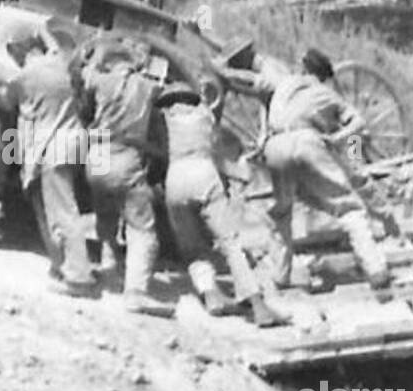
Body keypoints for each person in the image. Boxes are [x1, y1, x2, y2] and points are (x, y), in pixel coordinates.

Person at [224, 48, 392, 290]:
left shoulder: (283, 84)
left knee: (282, 213)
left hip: (276, 147)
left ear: (303, 70)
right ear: (323, 77)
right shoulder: (324, 93)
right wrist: (340, 139)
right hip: (308, 143)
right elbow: (358, 127)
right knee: (349, 209)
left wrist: (222, 71)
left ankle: (280, 275)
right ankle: (376, 269)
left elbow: (254, 86)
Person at [158, 84, 288, 327]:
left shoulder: (164, 119)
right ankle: (260, 303)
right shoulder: (204, 114)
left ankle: (210, 295)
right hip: (209, 172)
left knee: (193, 248)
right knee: (232, 242)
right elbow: (215, 103)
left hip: (174, 180)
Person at [80, 35, 173, 317]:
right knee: (142, 228)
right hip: (125, 159)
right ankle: (136, 293)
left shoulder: (98, 80)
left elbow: (83, 72)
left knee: (105, 212)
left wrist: (95, 53)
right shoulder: (149, 87)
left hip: (95, 159)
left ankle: (108, 266)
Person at [6, 29, 95, 298]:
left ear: (19, 51)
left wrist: (17, 162)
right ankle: (62, 265)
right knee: (62, 207)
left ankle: (79, 276)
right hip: (79, 141)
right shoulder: (64, 64)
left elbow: (20, 119)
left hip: (52, 147)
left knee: (62, 211)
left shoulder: (23, 77)